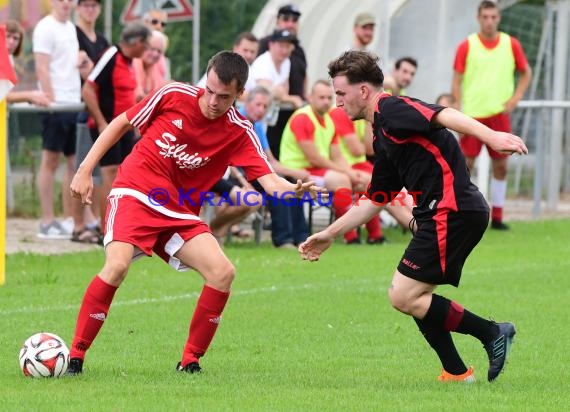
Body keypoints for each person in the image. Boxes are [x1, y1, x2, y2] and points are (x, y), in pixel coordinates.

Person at [66, 51, 324, 375]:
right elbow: (121, 123)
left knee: (223, 272)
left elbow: (270, 181)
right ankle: (75, 357)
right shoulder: (173, 94)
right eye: (210, 91)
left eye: (224, 96)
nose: (213, 101)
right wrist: (85, 169)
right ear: (206, 79)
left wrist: (293, 189)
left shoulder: (239, 131)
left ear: (240, 95)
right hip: (135, 191)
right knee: (116, 266)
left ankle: (190, 362)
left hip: (178, 209)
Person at [300, 50, 527, 382]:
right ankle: (456, 372)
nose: (337, 102)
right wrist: (329, 233)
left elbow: (443, 114)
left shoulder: (390, 108)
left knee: (403, 294)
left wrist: (491, 137)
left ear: (363, 91)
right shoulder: (383, 132)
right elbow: (376, 198)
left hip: (453, 210)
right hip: (443, 213)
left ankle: (492, 333)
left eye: (341, 94)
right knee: (416, 295)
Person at [452, 0, 532, 230]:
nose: (489, 21)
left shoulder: (511, 43)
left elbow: (526, 72)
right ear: (479, 18)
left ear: (499, 18)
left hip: (498, 115)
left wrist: (516, 98)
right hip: (472, 115)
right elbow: (456, 79)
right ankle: (462, 213)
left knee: (501, 166)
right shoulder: (467, 45)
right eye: (485, 17)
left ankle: (497, 215)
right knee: (465, 166)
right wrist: (456, 105)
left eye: (493, 17)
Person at [280, 80, 367, 245]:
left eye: (329, 97)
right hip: (297, 171)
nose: (326, 101)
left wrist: (350, 172)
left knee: (364, 180)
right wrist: (347, 173)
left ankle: (375, 234)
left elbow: (337, 156)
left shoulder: (328, 119)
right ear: (310, 97)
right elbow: (314, 158)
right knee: (343, 180)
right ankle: (350, 235)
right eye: (321, 97)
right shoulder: (302, 117)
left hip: (316, 169)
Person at [33, 0, 93, 239]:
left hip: (73, 102)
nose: (66, 3)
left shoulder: (70, 28)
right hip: (55, 105)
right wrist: (52, 100)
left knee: (72, 162)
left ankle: (70, 217)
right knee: (50, 161)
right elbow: (42, 68)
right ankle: (47, 220)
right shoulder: (45, 27)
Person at [82, 22, 151, 229]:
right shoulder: (111, 55)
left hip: (125, 130)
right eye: (146, 45)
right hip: (108, 128)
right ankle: (106, 229)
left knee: (124, 176)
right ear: (137, 42)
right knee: (110, 174)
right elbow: (88, 90)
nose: (147, 50)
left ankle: (119, 225)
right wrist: (103, 123)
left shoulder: (129, 62)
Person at [243, 85, 310, 249]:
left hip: (255, 170)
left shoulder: (257, 125)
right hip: (239, 171)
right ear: (247, 103)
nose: (261, 110)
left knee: (291, 182)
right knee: (276, 185)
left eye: (265, 106)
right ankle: (283, 239)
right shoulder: (237, 119)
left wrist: (294, 173)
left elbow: (270, 160)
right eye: (258, 104)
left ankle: (301, 237)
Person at [74, 0, 110, 244]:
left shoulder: (102, 40)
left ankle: (97, 222)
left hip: (102, 109)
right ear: (79, 8)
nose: (90, 9)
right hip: (83, 109)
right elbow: (85, 73)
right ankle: (78, 225)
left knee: (100, 174)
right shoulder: (73, 35)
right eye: (85, 5)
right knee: (81, 168)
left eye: (94, 5)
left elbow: (99, 73)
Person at [257, 4, 307, 159]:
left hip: (288, 112)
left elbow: (303, 75)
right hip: (265, 112)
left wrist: (304, 97)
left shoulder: (297, 50)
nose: (290, 23)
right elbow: (267, 88)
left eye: (294, 20)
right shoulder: (265, 45)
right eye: (286, 19)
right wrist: (290, 98)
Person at [4, 19, 50, 106]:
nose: (11, 42)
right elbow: (2, 95)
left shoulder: (10, 59)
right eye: (8, 36)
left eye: (15, 38)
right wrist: (30, 96)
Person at [133, 30, 167, 101]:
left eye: (159, 51)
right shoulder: (131, 65)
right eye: (152, 49)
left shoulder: (158, 69)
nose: (155, 54)